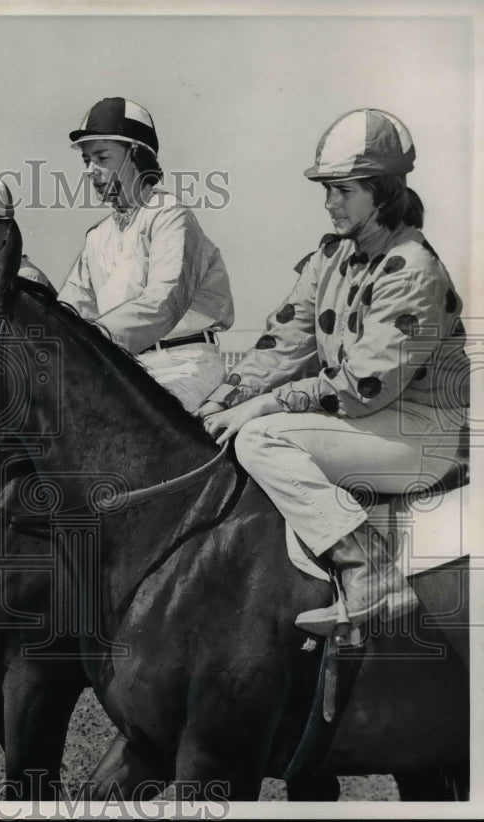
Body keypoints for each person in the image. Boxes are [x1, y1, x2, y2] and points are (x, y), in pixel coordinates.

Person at [197, 108, 469, 635]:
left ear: (384, 191)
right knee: (234, 427)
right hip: (366, 423)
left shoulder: (414, 267)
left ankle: (368, 572)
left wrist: (262, 405)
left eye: (343, 190)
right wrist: (221, 399)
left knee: (261, 440)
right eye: (326, 190)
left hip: (421, 434)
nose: (329, 203)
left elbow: (363, 386)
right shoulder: (330, 257)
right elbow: (283, 342)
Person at [58, 97, 234, 412]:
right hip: (127, 370)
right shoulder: (97, 237)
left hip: (184, 365)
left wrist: (89, 343)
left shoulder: (170, 215)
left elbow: (162, 305)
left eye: (101, 156)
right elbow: (68, 312)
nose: (89, 171)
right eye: (86, 160)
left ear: (136, 156)